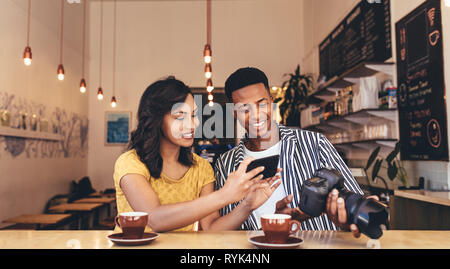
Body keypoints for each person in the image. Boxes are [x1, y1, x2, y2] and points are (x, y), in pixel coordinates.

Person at [214, 67, 378, 238]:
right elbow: (222, 231)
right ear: (234, 113)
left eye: (261, 104)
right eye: (244, 109)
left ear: (271, 101)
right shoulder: (225, 164)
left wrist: (347, 217)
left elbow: (353, 204)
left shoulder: (314, 143)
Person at [113, 77, 281, 233]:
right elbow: (154, 219)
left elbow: (211, 229)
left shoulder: (201, 168)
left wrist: (247, 205)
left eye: (193, 115)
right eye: (180, 116)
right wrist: (225, 195)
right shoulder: (131, 162)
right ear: (156, 120)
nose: (193, 124)